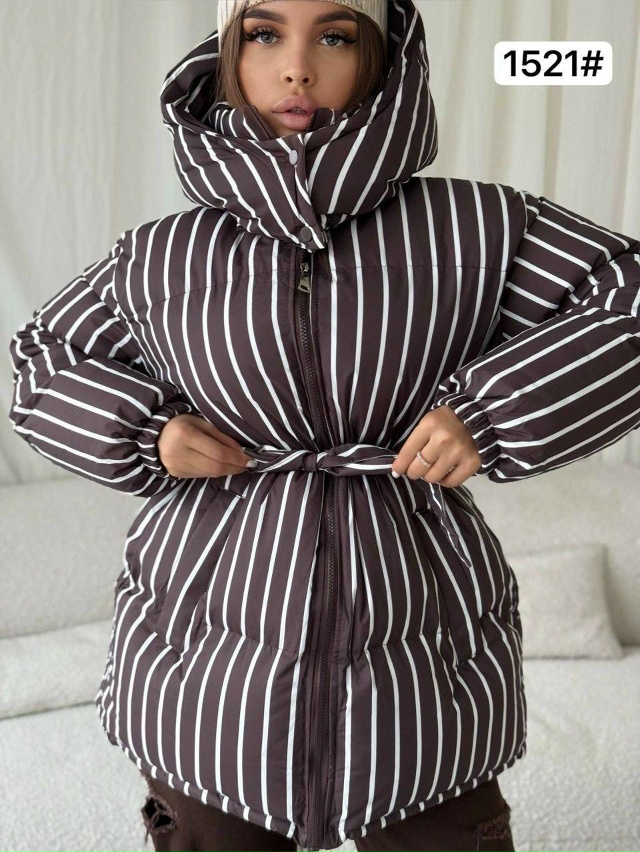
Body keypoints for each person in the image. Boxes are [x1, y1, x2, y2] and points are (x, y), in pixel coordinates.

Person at [7, 1, 640, 850]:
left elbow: (627, 299)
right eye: (265, 34)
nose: (297, 66)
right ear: (229, 53)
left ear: (381, 57)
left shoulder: (479, 228)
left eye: (335, 36)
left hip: (420, 651)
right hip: (207, 669)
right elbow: (42, 358)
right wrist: (146, 432)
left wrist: (490, 410)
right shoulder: (161, 256)